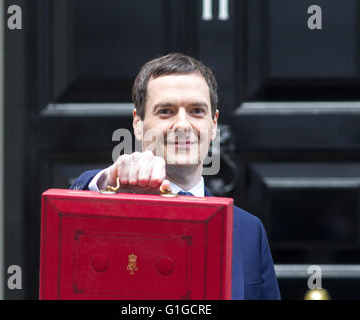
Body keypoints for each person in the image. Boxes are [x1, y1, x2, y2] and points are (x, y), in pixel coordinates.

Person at [70, 53, 281, 300]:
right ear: (138, 123)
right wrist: (108, 182)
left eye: (196, 111)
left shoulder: (248, 231)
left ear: (213, 124)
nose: (182, 125)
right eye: (166, 111)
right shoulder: (102, 201)